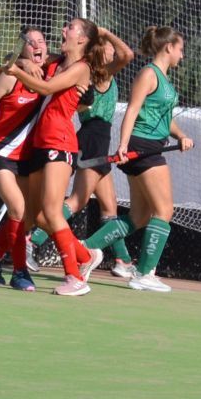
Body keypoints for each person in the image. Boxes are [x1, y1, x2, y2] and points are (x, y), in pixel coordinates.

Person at [82, 25, 194, 292]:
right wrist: (122, 145)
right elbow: (132, 111)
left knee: (140, 216)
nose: (182, 55)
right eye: (180, 49)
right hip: (142, 148)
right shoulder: (149, 74)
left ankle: (84, 249)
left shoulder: (163, 79)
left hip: (151, 145)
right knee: (164, 211)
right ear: (168, 47)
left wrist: (180, 135)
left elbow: (164, 120)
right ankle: (144, 273)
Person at [5, 18, 110, 296]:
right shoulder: (57, 61)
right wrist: (26, 64)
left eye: (71, 28)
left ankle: (76, 278)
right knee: (38, 216)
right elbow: (29, 60)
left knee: (52, 211)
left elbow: (47, 89)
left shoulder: (81, 68)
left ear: (83, 39)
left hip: (60, 143)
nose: (64, 30)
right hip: (41, 144)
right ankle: (85, 257)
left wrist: (16, 70)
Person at [25, 29, 136, 278]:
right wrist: (104, 33)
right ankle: (33, 240)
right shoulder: (101, 73)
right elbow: (126, 54)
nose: (111, 50)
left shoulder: (95, 72)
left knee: (109, 207)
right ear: (98, 48)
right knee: (76, 201)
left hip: (95, 137)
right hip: (94, 137)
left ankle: (122, 259)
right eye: (107, 46)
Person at [0, 26, 52, 291]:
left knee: (28, 216)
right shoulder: (10, 76)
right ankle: (20, 272)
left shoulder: (49, 76)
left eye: (42, 41)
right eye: (31, 43)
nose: (38, 46)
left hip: (26, 158)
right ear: (23, 48)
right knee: (17, 207)